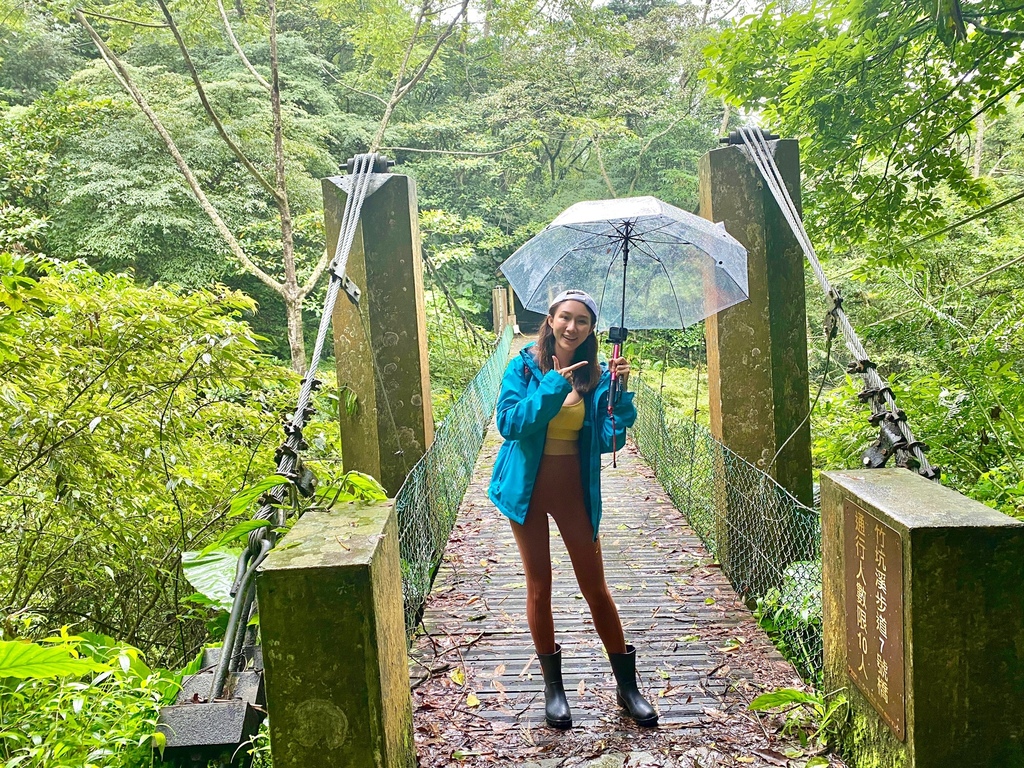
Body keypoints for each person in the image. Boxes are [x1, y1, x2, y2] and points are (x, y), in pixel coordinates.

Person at [487, 289, 658, 730]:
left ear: (591, 329)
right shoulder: (524, 366)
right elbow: (509, 424)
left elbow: (608, 440)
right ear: (550, 318)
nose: (572, 327)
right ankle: (554, 689)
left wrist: (619, 397)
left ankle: (627, 687)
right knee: (539, 586)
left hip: (573, 491)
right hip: (524, 489)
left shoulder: (597, 376)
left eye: (582, 321)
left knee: (595, 587)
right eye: (565, 318)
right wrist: (551, 386)